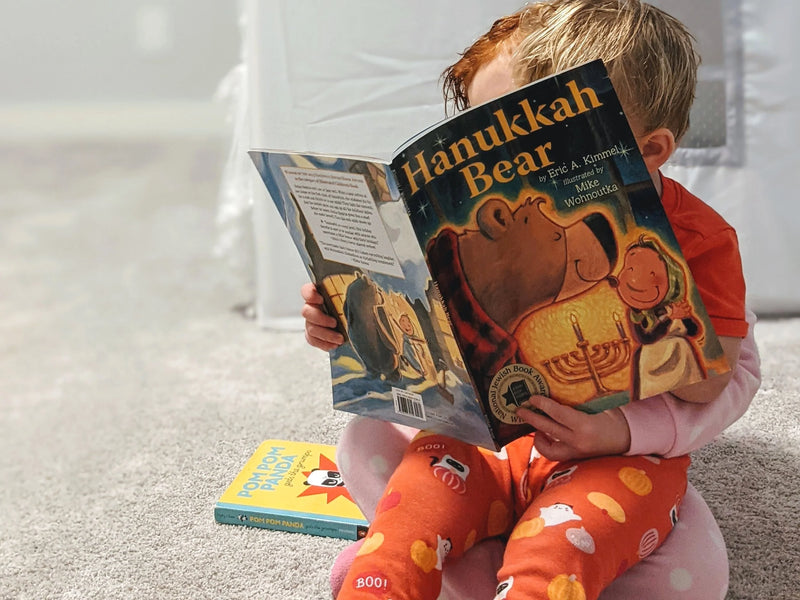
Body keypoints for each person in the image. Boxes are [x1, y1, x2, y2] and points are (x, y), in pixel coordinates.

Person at [301, 2, 761, 598]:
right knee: (393, 473)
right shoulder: (464, 232)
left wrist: (616, 431)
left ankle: (510, 571)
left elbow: (710, 382)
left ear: (649, 152)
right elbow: (405, 335)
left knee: (673, 569)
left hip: (603, 462)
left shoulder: (700, 239)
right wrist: (339, 314)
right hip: (477, 445)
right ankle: (391, 573)